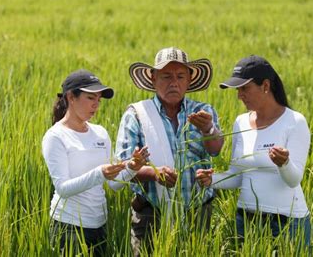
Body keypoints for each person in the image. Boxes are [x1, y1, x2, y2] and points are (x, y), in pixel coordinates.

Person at [115, 47, 224, 256]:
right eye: (166, 76)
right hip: (151, 213)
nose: (174, 82)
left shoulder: (203, 112)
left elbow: (215, 150)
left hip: (197, 212)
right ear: (153, 79)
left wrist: (208, 129)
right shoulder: (137, 115)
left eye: (180, 76)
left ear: (189, 80)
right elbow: (122, 167)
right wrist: (154, 174)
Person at [196, 55, 311, 248]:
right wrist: (211, 180)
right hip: (246, 221)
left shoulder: (294, 122)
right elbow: (237, 176)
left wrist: (284, 164)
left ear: (265, 86)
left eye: (244, 88)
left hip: (286, 222)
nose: (239, 95)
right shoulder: (241, 122)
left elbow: (294, 180)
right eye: (238, 90)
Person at [42, 69, 149, 256]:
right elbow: (63, 188)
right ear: (70, 97)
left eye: (98, 100)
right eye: (90, 98)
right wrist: (99, 173)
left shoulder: (100, 133)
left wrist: (133, 167)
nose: (96, 105)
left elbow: (114, 184)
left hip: (99, 225)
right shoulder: (56, 136)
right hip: (69, 227)